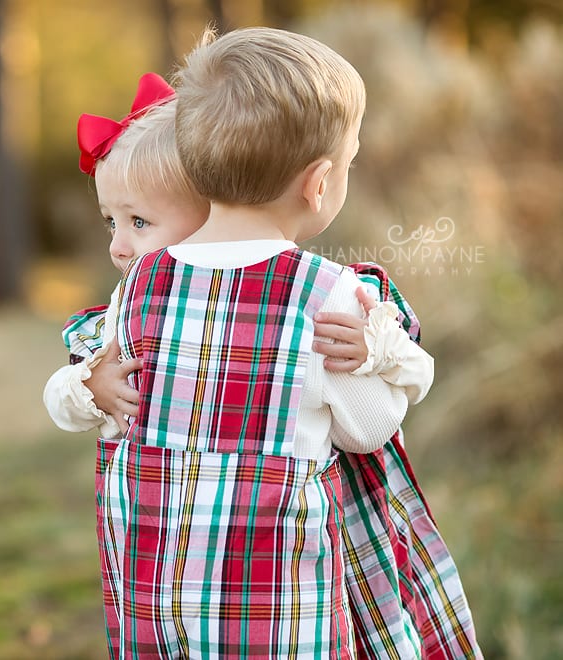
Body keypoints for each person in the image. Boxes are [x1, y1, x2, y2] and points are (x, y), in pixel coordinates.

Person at [94, 28, 479, 658]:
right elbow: (368, 428)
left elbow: (101, 391)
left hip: (158, 590)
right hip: (276, 595)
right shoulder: (326, 293)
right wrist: (384, 355)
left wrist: (87, 385)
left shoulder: (142, 281)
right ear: (319, 181)